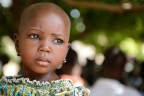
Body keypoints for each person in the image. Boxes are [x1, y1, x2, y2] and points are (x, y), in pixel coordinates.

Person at [0, 2, 90, 96]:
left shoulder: (70, 94)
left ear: (66, 51)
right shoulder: (3, 88)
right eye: (35, 36)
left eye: (57, 41)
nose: (45, 47)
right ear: (18, 44)